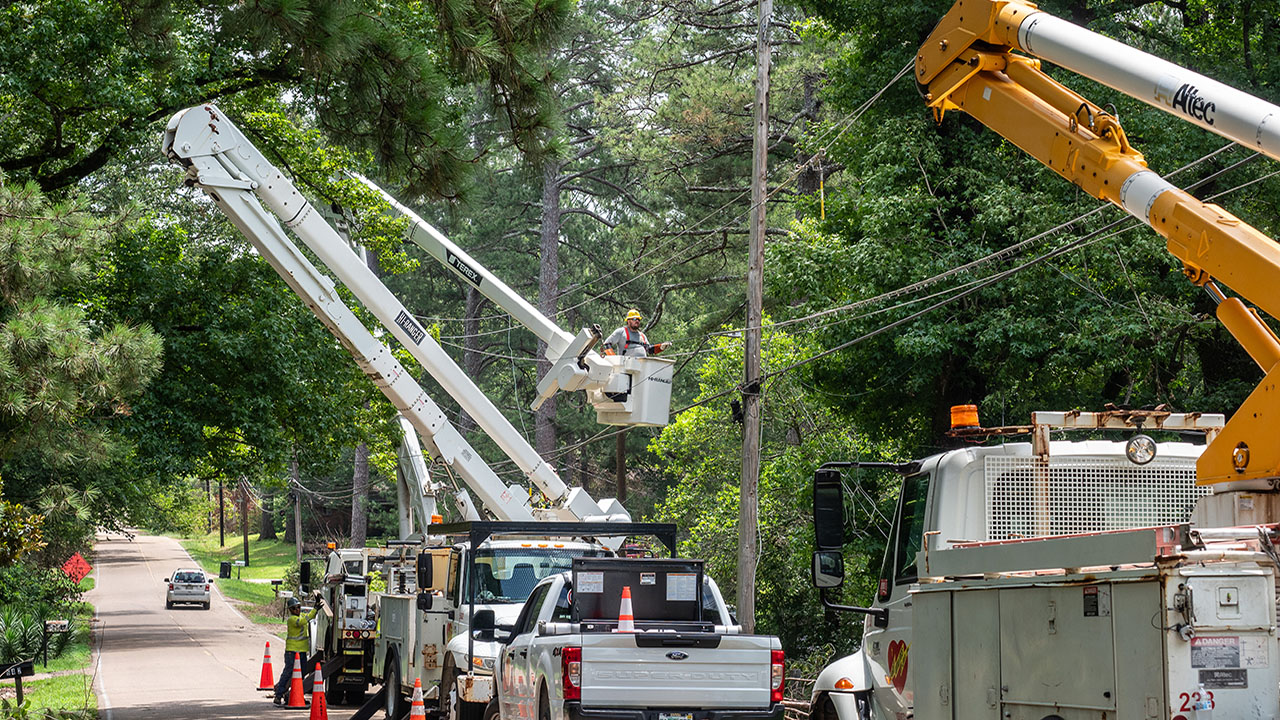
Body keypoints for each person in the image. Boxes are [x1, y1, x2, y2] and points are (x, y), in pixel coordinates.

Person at [272, 594, 320, 705]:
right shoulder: (292, 620)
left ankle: (294, 695)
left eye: (298, 607)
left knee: (301, 674)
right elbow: (304, 621)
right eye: (294, 608)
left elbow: (307, 618)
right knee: (288, 673)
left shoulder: (299, 617)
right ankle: (279, 695)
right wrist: (315, 609)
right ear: (290, 610)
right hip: (292, 651)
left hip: (301, 651)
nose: (297, 609)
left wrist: (316, 607)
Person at [604, 309, 670, 357]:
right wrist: (614, 359)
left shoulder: (642, 336)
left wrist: (661, 347)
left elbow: (649, 350)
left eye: (639, 319)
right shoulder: (621, 332)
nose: (637, 321)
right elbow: (606, 344)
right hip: (625, 368)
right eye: (635, 319)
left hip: (642, 368)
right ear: (628, 321)